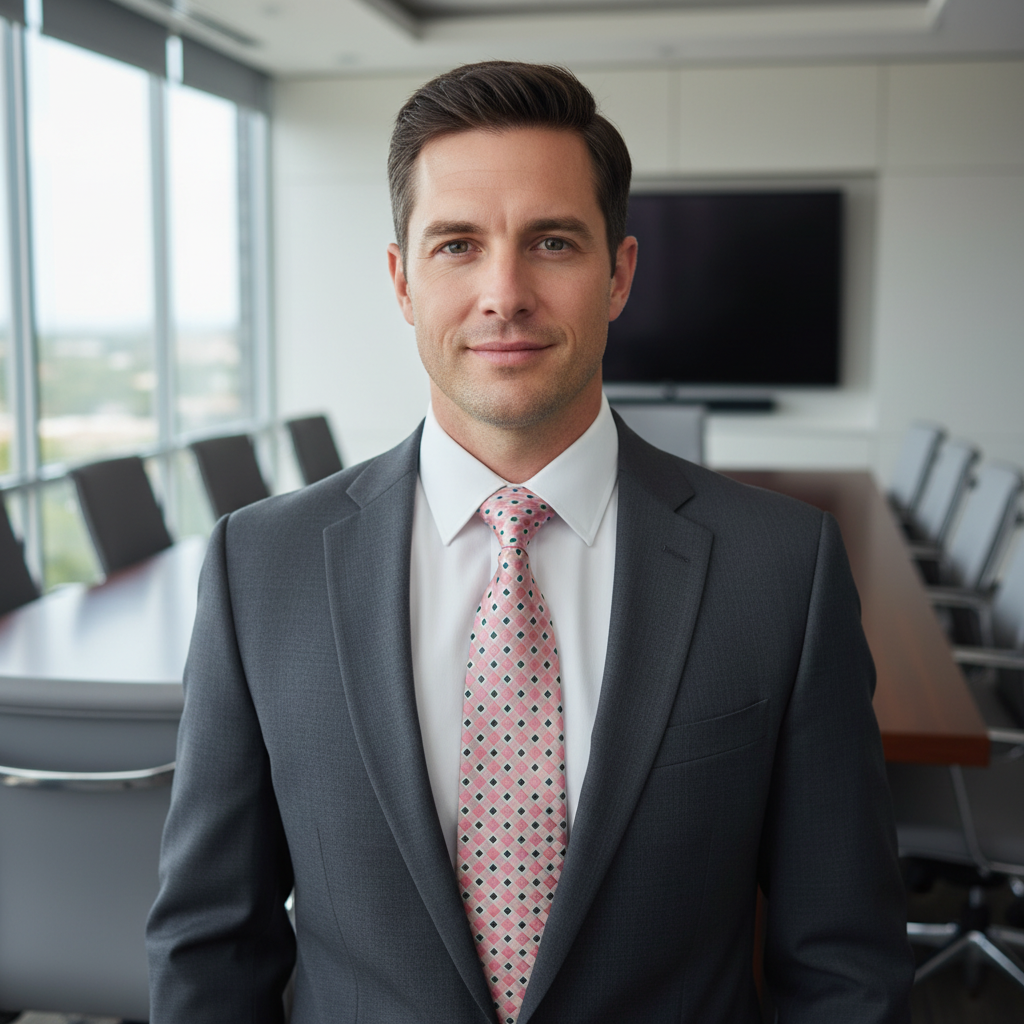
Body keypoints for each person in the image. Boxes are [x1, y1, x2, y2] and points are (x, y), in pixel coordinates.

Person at [147, 61, 914, 1023]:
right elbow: (210, 947)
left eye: (551, 242)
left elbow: (845, 966)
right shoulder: (262, 568)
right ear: (402, 281)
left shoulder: (781, 571)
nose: (503, 292)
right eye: (458, 245)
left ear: (620, 273)